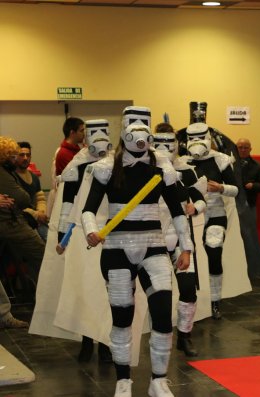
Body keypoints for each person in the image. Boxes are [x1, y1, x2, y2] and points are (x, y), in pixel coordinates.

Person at [83, 111, 193, 397]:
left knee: (161, 316)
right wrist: (91, 230)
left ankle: (158, 380)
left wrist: (187, 247)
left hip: (154, 246)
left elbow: (178, 210)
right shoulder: (107, 166)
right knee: (122, 318)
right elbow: (88, 208)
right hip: (117, 249)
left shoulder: (162, 166)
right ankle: (123, 380)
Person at [30, 119, 114, 363]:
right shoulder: (77, 165)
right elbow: (69, 203)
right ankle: (88, 340)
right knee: (83, 289)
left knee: (107, 290)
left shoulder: (114, 165)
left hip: (108, 233)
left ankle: (106, 341)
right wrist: (63, 237)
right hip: (80, 234)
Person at [152, 122, 207, 357]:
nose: (165, 149)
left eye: (169, 143)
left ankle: (184, 335)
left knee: (188, 290)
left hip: (180, 238)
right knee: (156, 294)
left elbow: (199, 197)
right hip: (153, 239)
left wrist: (195, 208)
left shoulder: (186, 170)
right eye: (160, 143)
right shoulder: (147, 170)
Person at [184, 121, 239, 320]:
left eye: (200, 137)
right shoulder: (183, 161)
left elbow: (235, 189)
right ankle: (194, 300)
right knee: (191, 259)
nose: (197, 142)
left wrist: (221, 188)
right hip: (192, 216)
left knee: (214, 250)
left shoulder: (221, 160)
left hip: (215, 213)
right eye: (193, 138)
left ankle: (215, 301)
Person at [0, 136, 45, 286]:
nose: (18, 159)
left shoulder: (16, 174)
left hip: (12, 221)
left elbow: (36, 198)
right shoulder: (4, 174)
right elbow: (23, 198)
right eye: (14, 156)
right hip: (10, 223)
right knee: (42, 254)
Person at [15, 141, 49, 240]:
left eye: (28, 155)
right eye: (21, 155)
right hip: (21, 221)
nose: (25, 158)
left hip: (37, 220)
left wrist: (41, 212)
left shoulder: (33, 177)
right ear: (15, 156)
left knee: (51, 239)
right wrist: (36, 215)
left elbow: (40, 199)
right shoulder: (11, 177)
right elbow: (15, 205)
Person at [236, 138, 260, 212]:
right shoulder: (229, 163)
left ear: (250, 149)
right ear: (236, 148)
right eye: (240, 147)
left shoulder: (256, 165)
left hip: (248, 204)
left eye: (246, 148)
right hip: (231, 202)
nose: (243, 150)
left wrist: (253, 185)